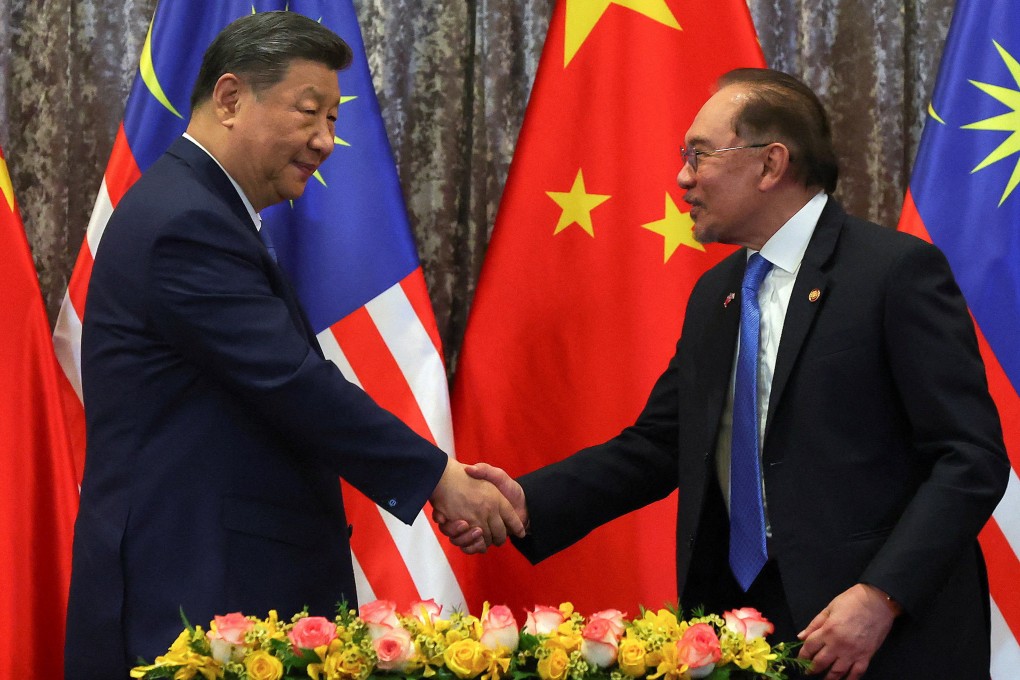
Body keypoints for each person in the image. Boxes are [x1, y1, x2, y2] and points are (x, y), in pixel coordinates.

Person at [440, 68, 1009, 678]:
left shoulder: (895, 273)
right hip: (741, 630)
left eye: (700, 155)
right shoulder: (719, 291)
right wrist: (525, 502)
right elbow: (659, 444)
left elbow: (968, 458)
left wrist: (881, 595)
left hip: (880, 637)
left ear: (770, 165)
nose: (683, 178)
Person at [64, 12, 523, 679]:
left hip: (219, 584)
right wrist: (437, 478)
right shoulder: (185, 221)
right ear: (229, 99)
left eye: (334, 120)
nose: (326, 141)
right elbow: (291, 382)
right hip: (191, 597)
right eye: (310, 113)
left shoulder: (207, 211)